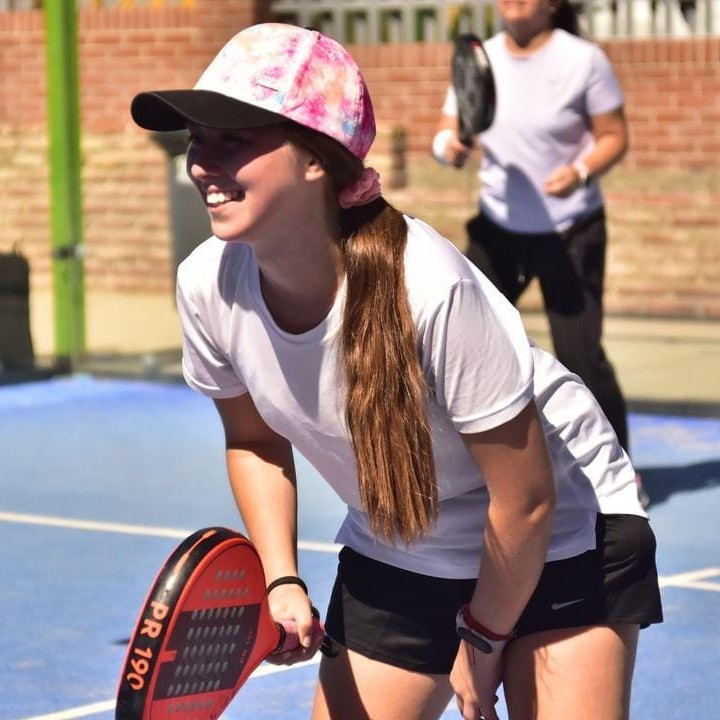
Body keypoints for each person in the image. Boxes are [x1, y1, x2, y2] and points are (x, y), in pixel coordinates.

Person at [131, 22, 662, 720]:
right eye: (197, 140)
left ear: (315, 158)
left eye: (234, 139)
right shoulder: (207, 285)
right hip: (402, 542)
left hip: (561, 532)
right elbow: (254, 441)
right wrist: (281, 578)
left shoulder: (431, 290)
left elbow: (528, 501)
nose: (203, 163)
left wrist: (483, 637)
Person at [432, 0, 651, 509]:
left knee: (581, 356)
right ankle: (464, 474)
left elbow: (614, 136)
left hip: (571, 230)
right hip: (497, 232)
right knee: (460, 345)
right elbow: (445, 132)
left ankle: (618, 474)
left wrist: (580, 171)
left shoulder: (584, 60)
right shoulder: (480, 58)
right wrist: (449, 147)